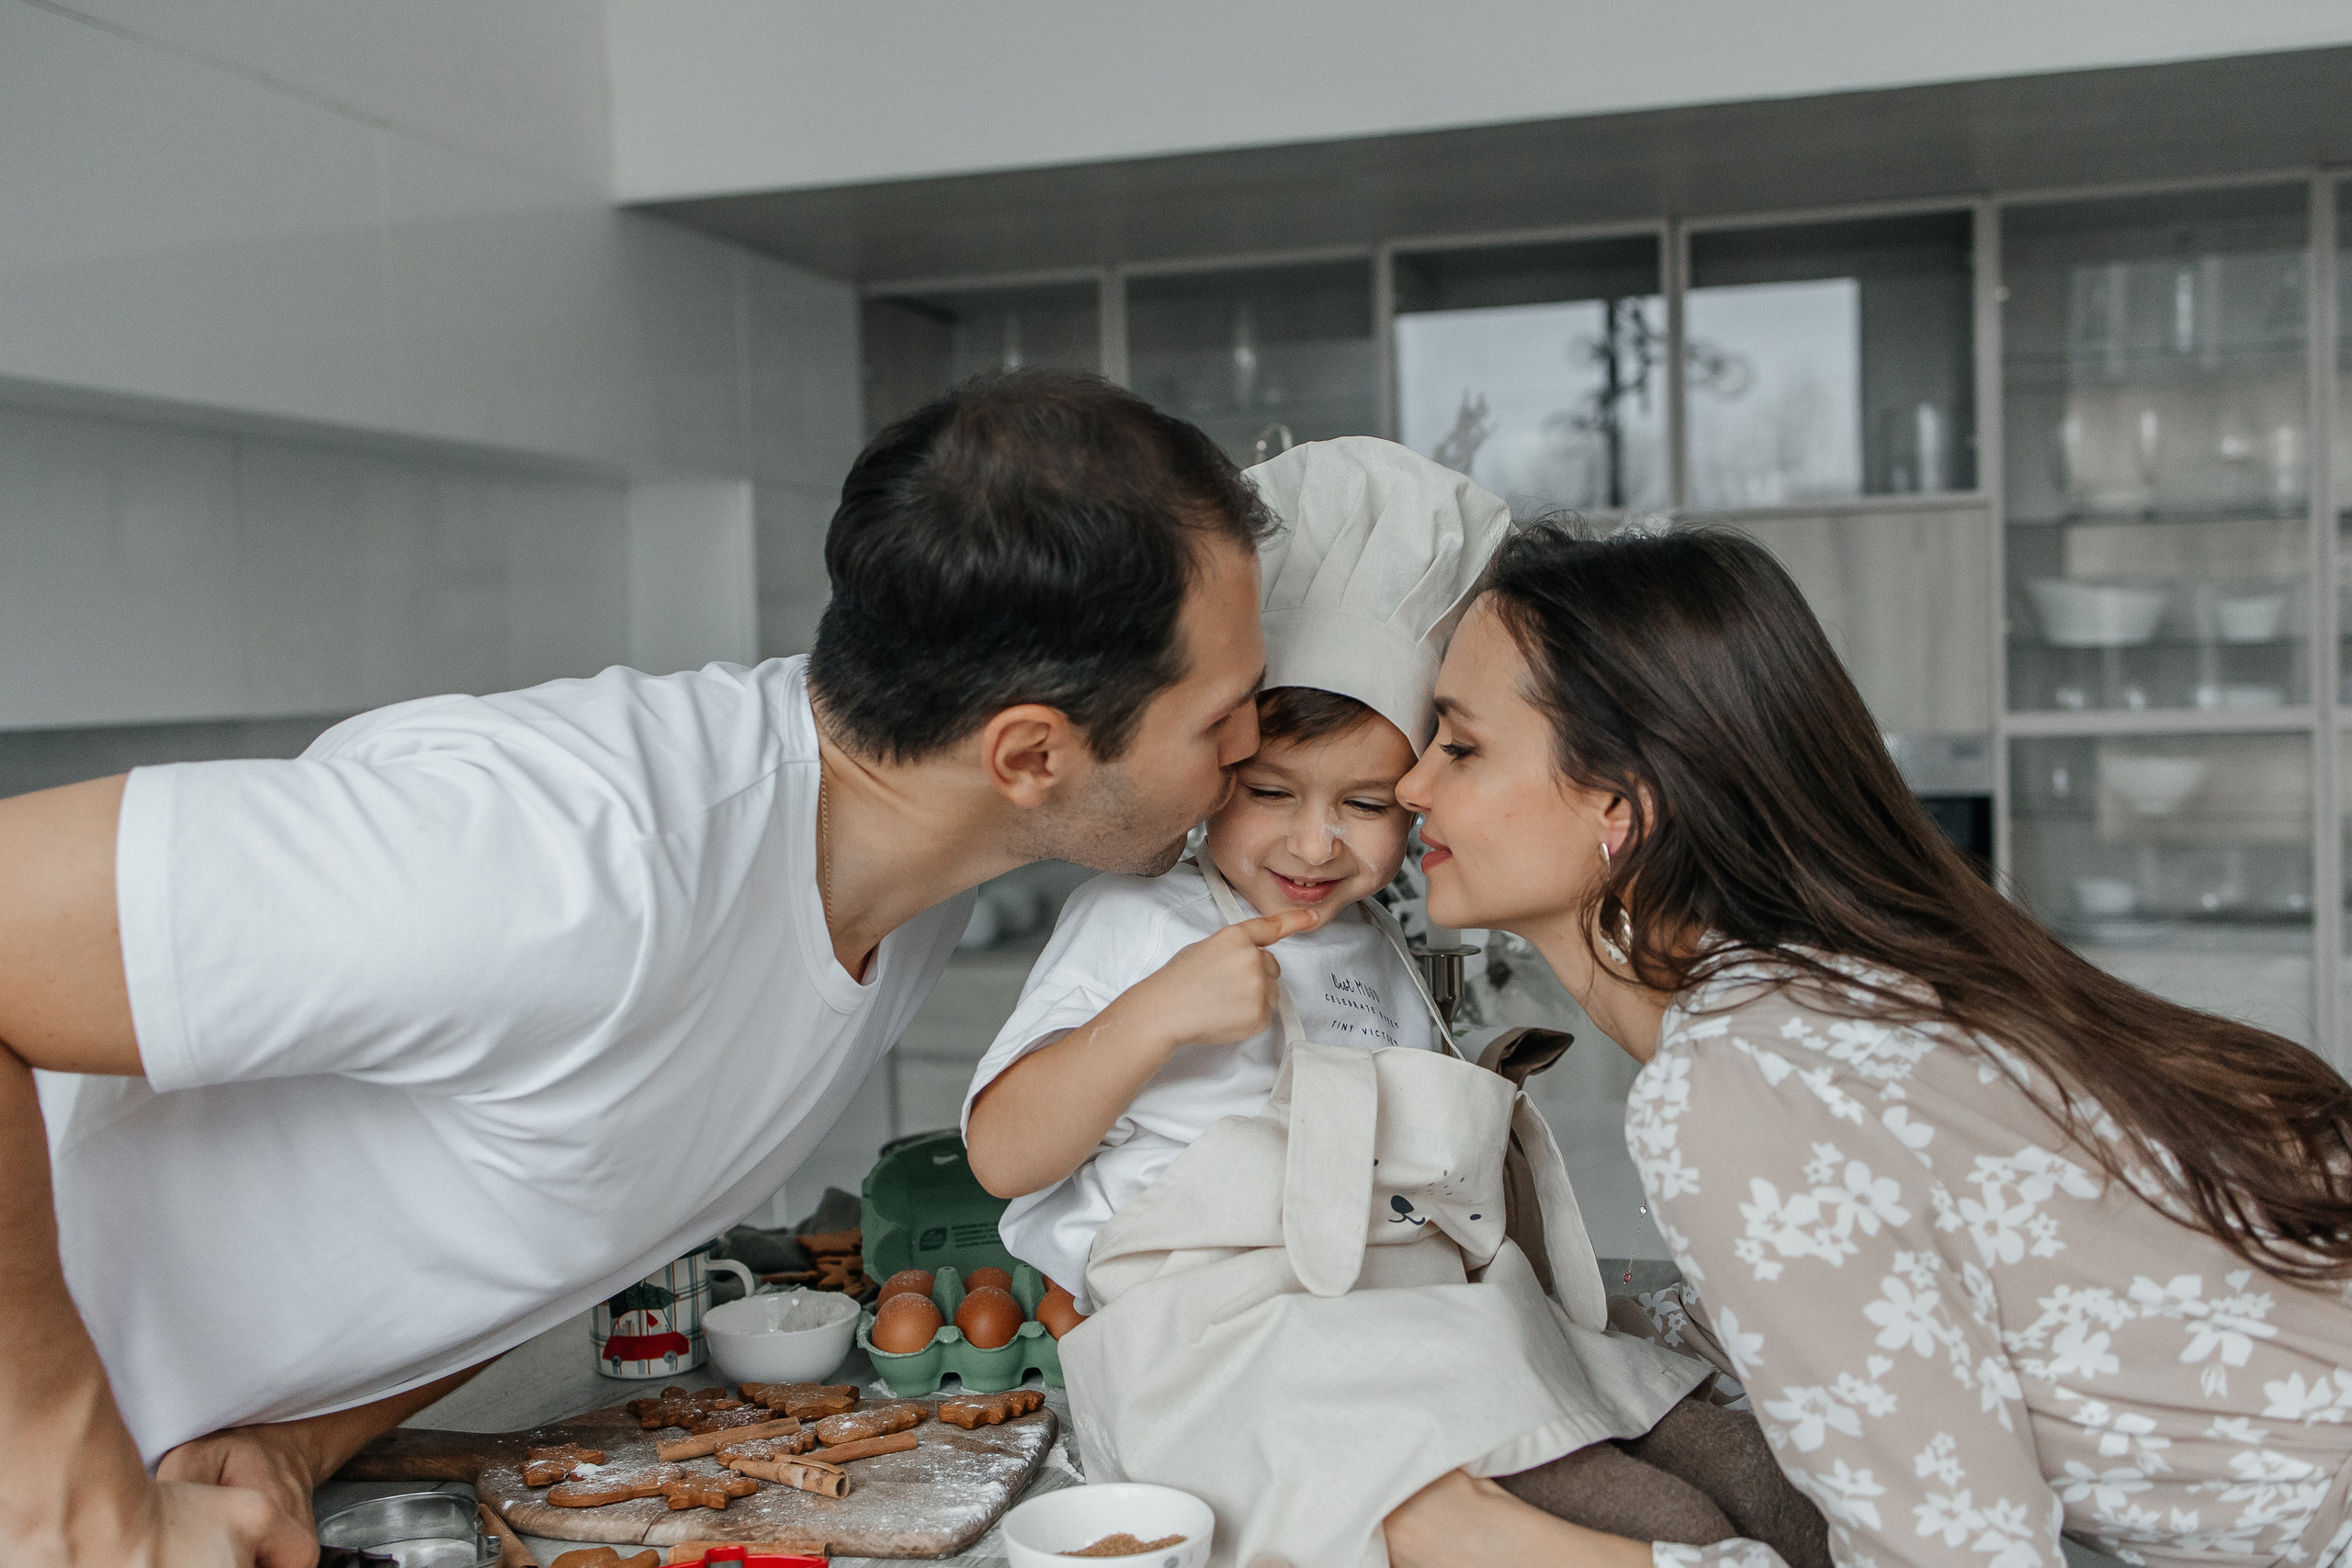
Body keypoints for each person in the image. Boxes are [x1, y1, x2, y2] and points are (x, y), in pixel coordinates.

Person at [0, 368, 1272, 1568]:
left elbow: (538, 1209)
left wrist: (301, 1435)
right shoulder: (556, 856)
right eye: (1224, 715)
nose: (1254, 743)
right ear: (1031, 754)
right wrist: (76, 1496)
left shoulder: (903, 877)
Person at [1380, 524, 2352, 1568]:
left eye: (1460, 745)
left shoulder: (1739, 1086)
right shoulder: (1839, 986)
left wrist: (1499, 1545)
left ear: (1623, 804)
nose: (1409, 787)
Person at [961, 436, 1510, 1306]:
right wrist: (1155, 1016)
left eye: (1366, 806)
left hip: (1358, 1313)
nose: (1317, 842)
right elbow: (1001, 1156)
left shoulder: (1378, 940)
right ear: (1219, 770)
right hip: (1190, 1327)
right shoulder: (1136, 917)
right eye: (1271, 791)